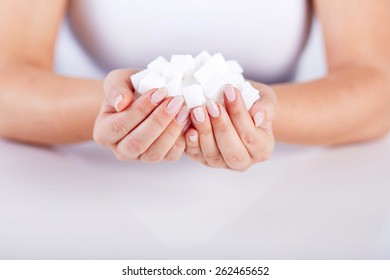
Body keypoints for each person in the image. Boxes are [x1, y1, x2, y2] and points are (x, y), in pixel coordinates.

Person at [0, 0, 389, 171]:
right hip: (89, 180)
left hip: (284, 188)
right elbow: (8, 82)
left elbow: (376, 84)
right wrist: (120, 109)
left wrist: (259, 112)